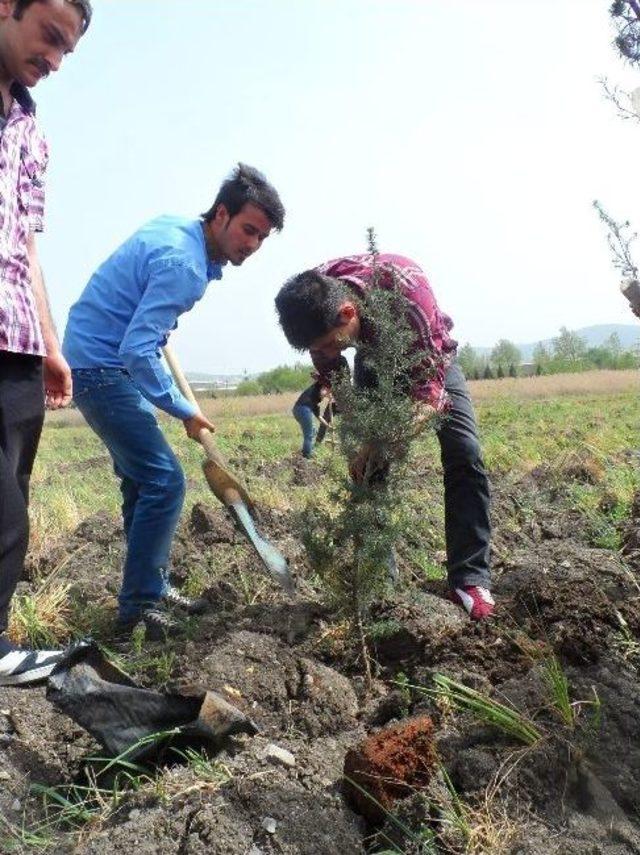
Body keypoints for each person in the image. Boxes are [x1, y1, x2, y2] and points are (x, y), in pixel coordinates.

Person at [62, 164, 285, 640]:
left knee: (142, 482)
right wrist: (184, 410)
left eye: (262, 238)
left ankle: (149, 586)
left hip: (94, 356)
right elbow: (137, 351)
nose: (252, 245)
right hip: (102, 368)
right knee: (165, 481)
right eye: (248, 230)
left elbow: (144, 325)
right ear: (221, 215)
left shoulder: (178, 230)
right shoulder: (183, 266)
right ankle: (138, 606)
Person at [275, 253, 494, 621]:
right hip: (372, 364)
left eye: (328, 344)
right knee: (367, 471)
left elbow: (430, 398)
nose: (324, 354)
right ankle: (380, 587)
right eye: (314, 349)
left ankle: (469, 579)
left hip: (427, 359)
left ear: (348, 313)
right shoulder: (311, 297)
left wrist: (379, 440)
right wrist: (358, 435)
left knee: (464, 451)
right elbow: (335, 374)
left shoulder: (408, 292)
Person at [0, 0, 93, 686]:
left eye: (67, 49)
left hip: (17, 339)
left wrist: (50, 342)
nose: (55, 60)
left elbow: (24, 244)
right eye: (49, 36)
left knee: (13, 501)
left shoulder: (31, 129)